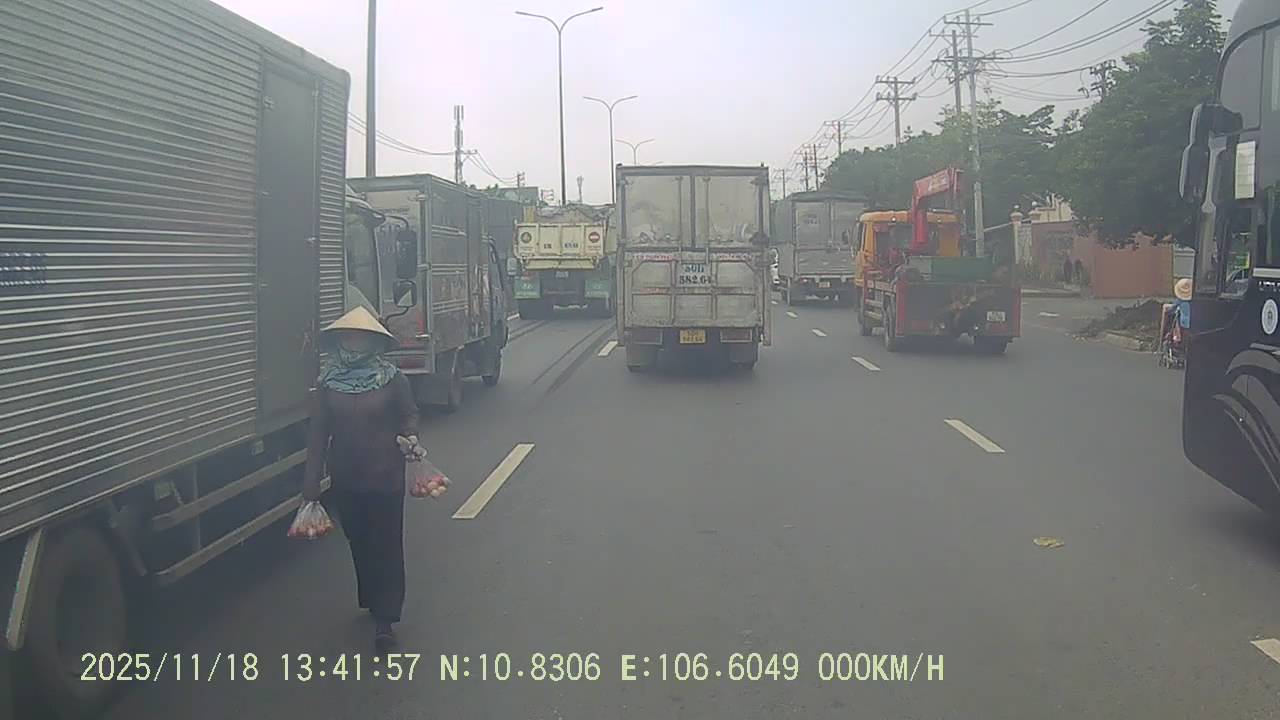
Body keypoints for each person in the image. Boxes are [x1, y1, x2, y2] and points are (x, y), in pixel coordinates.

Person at [302, 306, 423, 654]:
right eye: (348, 338)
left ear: (374, 342)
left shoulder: (392, 379)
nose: (353, 343)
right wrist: (311, 484)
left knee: (387, 545)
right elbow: (318, 435)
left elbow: (409, 414)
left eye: (360, 338)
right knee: (359, 540)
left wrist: (410, 436)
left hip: (386, 476)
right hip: (346, 477)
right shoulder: (328, 384)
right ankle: (371, 596)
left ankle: (386, 620)